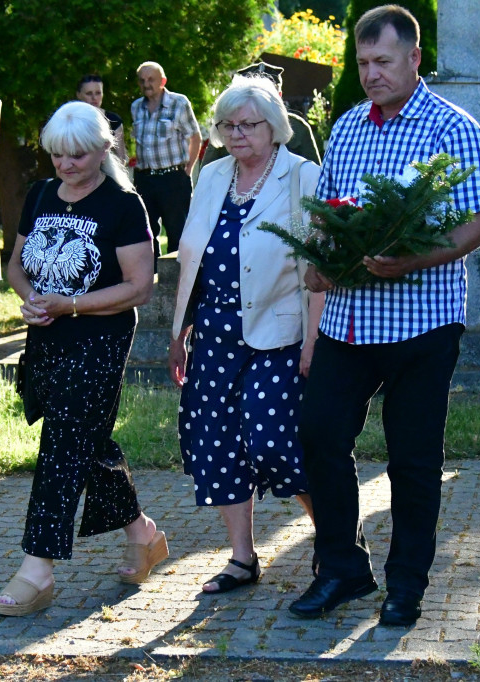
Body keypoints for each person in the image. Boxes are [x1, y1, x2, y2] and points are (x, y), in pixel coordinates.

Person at [289, 5, 480, 627]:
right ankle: (343, 570)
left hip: (421, 323)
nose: (371, 73)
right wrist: (320, 262)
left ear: (414, 58)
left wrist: (413, 260)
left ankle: (406, 584)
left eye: (383, 61)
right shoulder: (349, 125)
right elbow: (330, 211)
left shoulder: (453, 129)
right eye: (362, 62)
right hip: (349, 320)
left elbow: (479, 223)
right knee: (320, 436)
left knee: (412, 459)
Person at [0, 102, 166, 616]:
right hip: (47, 335)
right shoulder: (43, 194)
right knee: (85, 437)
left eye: (77, 155)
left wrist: (70, 304)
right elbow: (16, 264)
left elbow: (139, 287)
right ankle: (143, 533)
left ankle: (37, 569)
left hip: (100, 338)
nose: (66, 165)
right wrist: (29, 298)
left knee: (62, 441)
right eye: (57, 156)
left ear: (102, 149)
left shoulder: (122, 204)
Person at [169, 77, 324, 594]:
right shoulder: (211, 177)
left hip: (278, 333)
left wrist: (313, 340)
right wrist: (179, 330)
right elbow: (191, 258)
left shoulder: (303, 176)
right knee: (214, 443)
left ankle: (336, 541)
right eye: (227, 125)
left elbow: (318, 265)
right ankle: (241, 558)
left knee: (275, 438)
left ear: (274, 126)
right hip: (214, 334)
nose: (236, 134)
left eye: (248, 124)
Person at [131, 61, 202, 262]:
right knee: (146, 232)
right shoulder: (136, 107)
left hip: (173, 177)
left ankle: (175, 282)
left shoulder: (179, 103)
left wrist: (187, 170)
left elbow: (194, 137)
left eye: (151, 79)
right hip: (145, 179)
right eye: (142, 80)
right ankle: (150, 280)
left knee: (177, 232)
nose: (146, 84)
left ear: (162, 81)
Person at [199, 62, 321, 170]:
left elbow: (314, 177)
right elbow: (208, 169)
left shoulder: (297, 126)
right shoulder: (226, 125)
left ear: (279, 96)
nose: (236, 134)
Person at [77, 74, 127, 162]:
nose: (94, 98)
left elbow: (121, 158)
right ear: (79, 95)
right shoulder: (71, 119)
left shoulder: (114, 120)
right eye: (89, 93)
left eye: (98, 93)